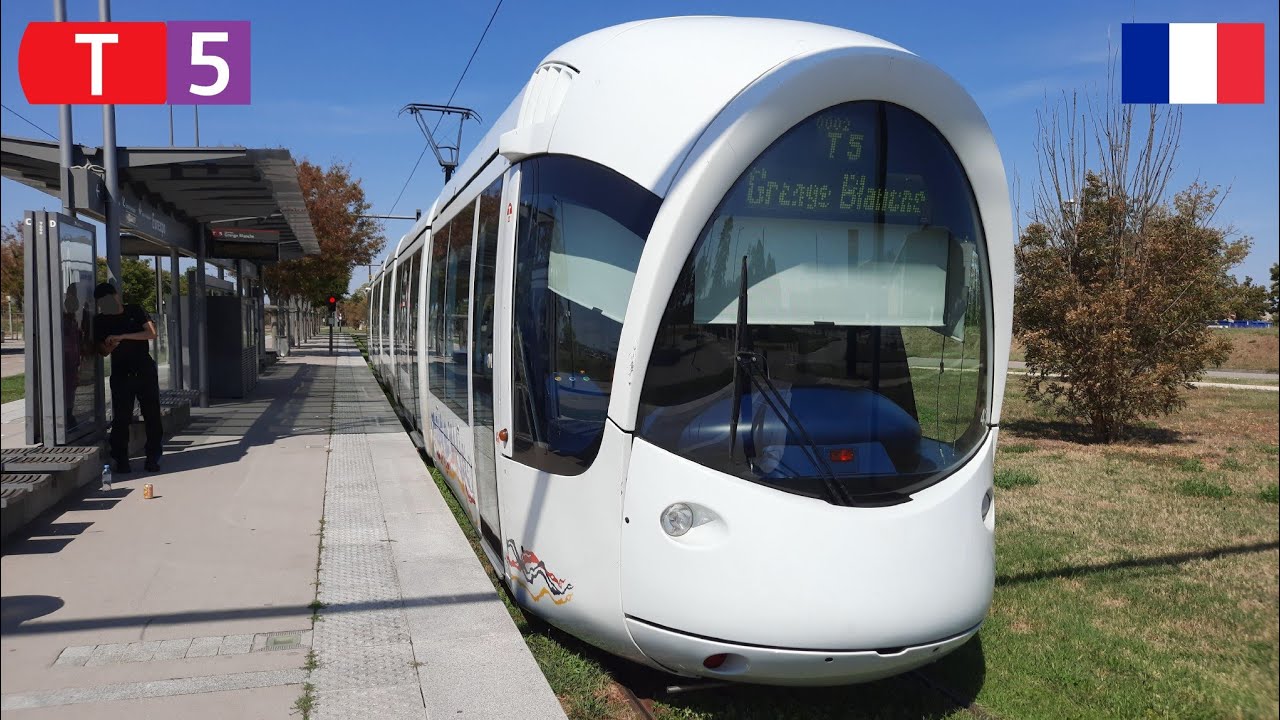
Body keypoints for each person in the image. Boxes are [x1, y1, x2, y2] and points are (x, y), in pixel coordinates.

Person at [94, 282, 162, 472]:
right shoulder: (100, 320)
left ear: (116, 296)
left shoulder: (135, 310)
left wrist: (123, 336)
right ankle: (121, 459)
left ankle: (153, 457)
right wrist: (111, 344)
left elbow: (151, 333)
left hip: (144, 370)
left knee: (152, 416)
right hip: (121, 373)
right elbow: (102, 351)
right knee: (121, 418)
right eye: (101, 304)